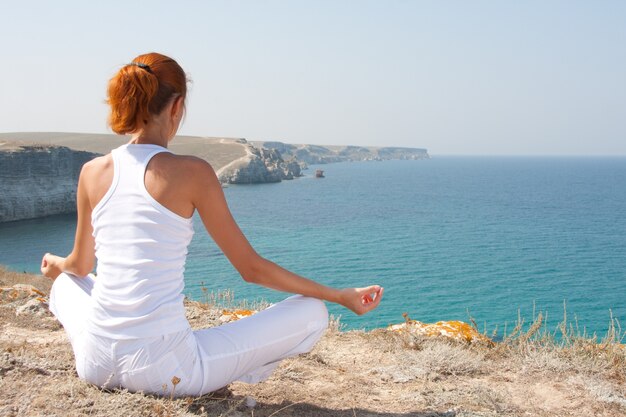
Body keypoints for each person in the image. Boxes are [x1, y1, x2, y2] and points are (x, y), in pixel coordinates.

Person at [41, 52, 384, 397]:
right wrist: (338, 296)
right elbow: (252, 270)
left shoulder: (91, 172)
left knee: (67, 284)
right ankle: (226, 370)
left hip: (95, 363)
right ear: (176, 107)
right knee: (312, 311)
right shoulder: (193, 172)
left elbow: (81, 265)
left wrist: (58, 265)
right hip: (166, 370)